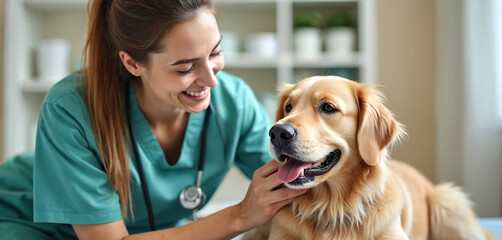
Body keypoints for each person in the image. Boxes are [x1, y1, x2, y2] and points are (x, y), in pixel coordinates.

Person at [0, 0, 307, 239]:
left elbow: (294, 181)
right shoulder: (69, 108)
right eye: (185, 68)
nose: (211, 81)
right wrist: (241, 216)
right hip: (31, 224)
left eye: (215, 52)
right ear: (133, 63)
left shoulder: (233, 101)